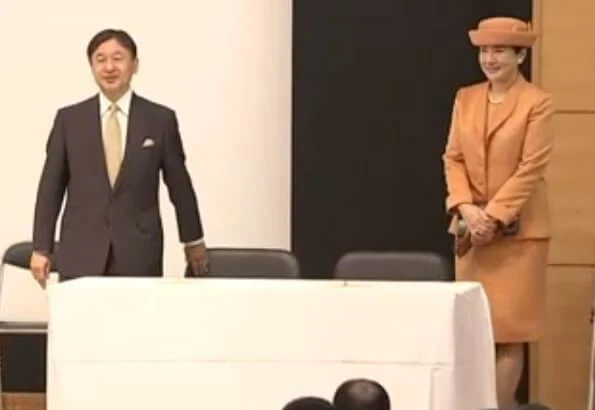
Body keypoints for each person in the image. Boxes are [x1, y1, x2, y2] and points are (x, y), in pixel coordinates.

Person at [30, 29, 209, 284]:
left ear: (135, 65)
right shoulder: (69, 120)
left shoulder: (159, 120)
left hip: (139, 254)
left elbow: (180, 185)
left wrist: (193, 240)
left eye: (118, 58)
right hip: (80, 252)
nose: (109, 67)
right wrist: (41, 247)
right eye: (100, 59)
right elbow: (50, 187)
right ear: (91, 66)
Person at [442, 17, 554, 409]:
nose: (490, 59)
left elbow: (531, 168)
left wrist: (493, 216)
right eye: (485, 51)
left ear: (520, 56)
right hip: (472, 232)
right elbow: (453, 157)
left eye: (500, 51)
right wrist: (467, 209)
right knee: (474, 331)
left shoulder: (537, 102)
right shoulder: (466, 97)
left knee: (508, 333)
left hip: (518, 235)